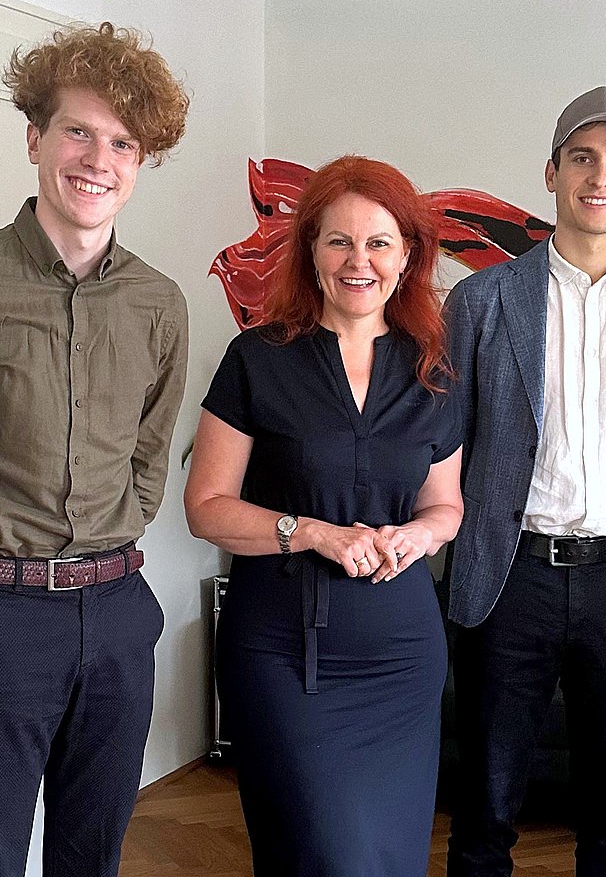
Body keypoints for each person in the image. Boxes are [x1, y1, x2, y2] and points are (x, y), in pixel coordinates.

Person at [0, 22, 190, 877]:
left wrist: (108, 545)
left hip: (118, 609)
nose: (98, 160)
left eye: (122, 143)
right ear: (34, 139)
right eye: (78, 131)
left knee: (94, 852)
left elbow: (148, 458)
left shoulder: (159, 303)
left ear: (141, 162)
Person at [443, 86, 606, 876]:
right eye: (583, 158)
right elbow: (450, 441)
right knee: (485, 805)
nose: (601, 176)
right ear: (552, 172)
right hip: (511, 576)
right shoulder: (483, 299)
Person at [184, 156, 464, 876]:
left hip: (401, 655)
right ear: (310, 250)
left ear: (407, 256)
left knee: (389, 859)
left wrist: (418, 533)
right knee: (321, 853)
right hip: (283, 652)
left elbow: (446, 506)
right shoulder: (257, 359)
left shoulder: (433, 370)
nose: (358, 261)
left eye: (378, 243)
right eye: (338, 240)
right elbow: (206, 508)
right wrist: (307, 531)